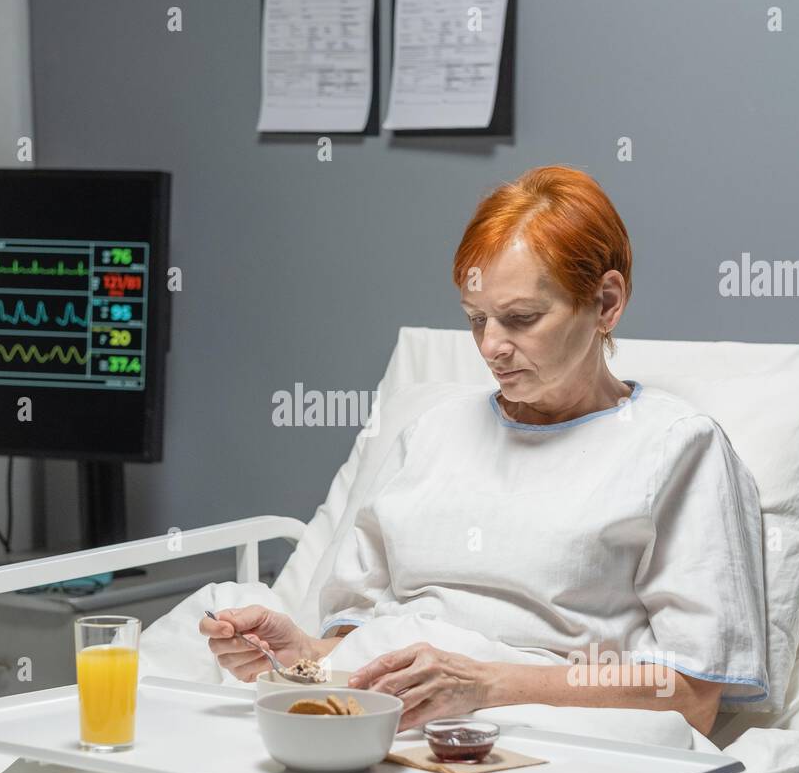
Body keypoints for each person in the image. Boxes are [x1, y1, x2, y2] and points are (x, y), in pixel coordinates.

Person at [200, 165, 768, 736]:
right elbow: (363, 648)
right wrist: (303, 658)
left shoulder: (675, 449)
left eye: (522, 319)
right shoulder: (431, 433)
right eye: (477, 321)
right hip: (371, 722)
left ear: (606, 302)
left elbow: (691, 695)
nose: (493, 347)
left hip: (525, 738)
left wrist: (486, 685)